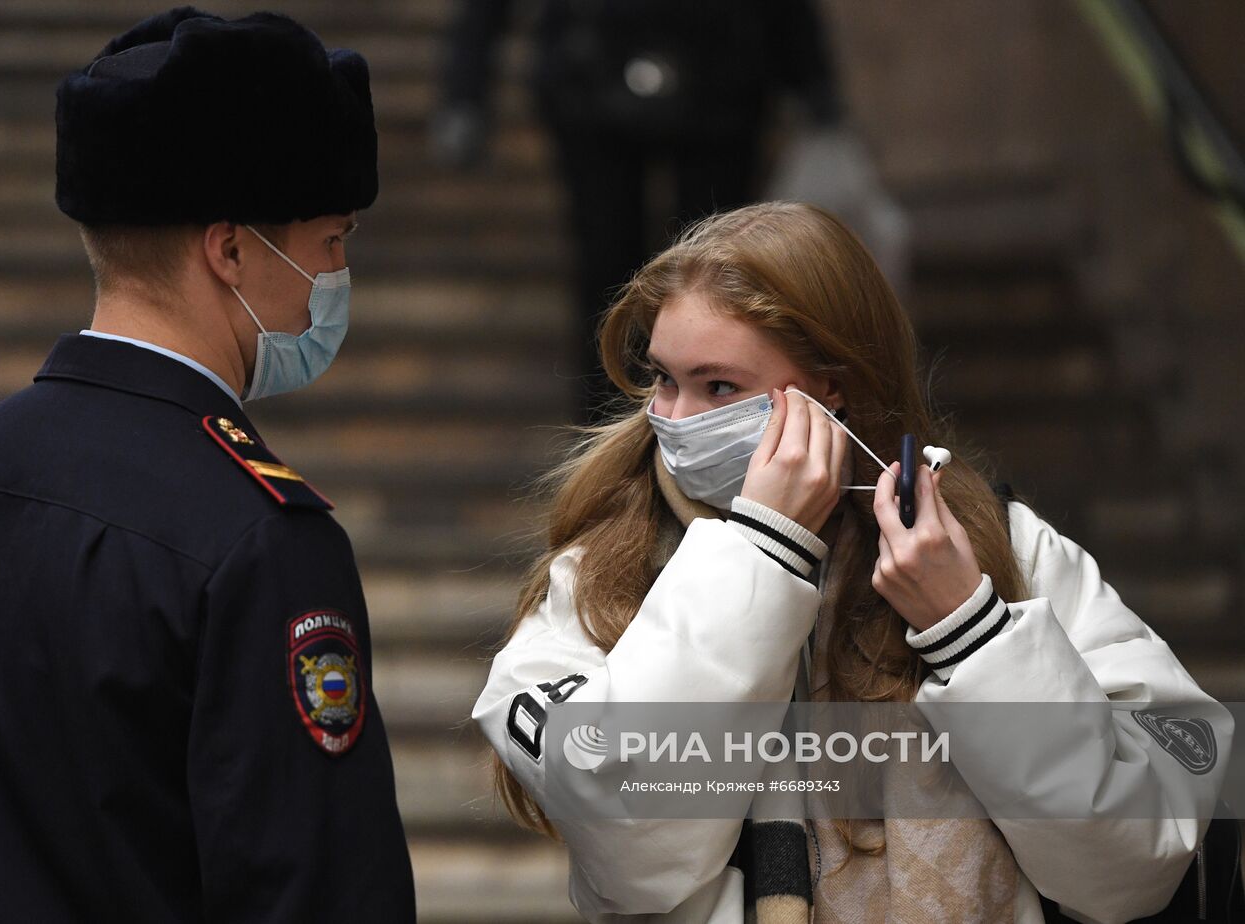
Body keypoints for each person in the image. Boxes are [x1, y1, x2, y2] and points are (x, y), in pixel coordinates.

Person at [471, 202, 1231, 923]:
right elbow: (633, 847)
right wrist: (763, 551)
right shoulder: (601, 574)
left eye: (721, 387)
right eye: (666, 378)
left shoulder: (997, 545)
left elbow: (1132, 866)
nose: (674, 419)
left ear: (830, 391)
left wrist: (973, 633)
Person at [0, 8, 414, 921]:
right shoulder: (257, 539)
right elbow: (317, 887)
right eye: (331, 243)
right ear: (230, 248)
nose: (338, 277)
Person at [434, 0, 846, 422]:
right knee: (607, 266)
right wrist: (465, 90)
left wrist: (814, 80)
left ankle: (718, 412)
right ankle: (610, 426)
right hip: (593, 73)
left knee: (720, 267)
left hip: (717, 76)